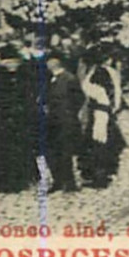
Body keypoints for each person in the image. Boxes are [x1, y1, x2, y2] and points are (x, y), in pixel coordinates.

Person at [0, 44, 38, 193]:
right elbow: (31, 94)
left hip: (3, 117)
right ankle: (21, 180)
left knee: (1, 149)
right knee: (21, 148)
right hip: (21, 117)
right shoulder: (25, 70)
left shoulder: (0, 73)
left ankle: (2, 181)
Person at [77, 52, 126, 189]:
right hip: (104, 111)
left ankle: (99, 177)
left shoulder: (98, 73)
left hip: (100, 113)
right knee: (104, 143)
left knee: (98, 142)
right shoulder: (110, 72)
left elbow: (95, 92)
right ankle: (103, 173)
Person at [42, 54, 83, 193]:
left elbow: (79, 99)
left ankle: (69, 182)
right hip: (52, 121)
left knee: (65, 152)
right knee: (52, 152)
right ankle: (57, 180)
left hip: (66, 121)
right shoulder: (51, 79)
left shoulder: (69, 79)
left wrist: (69, 112)